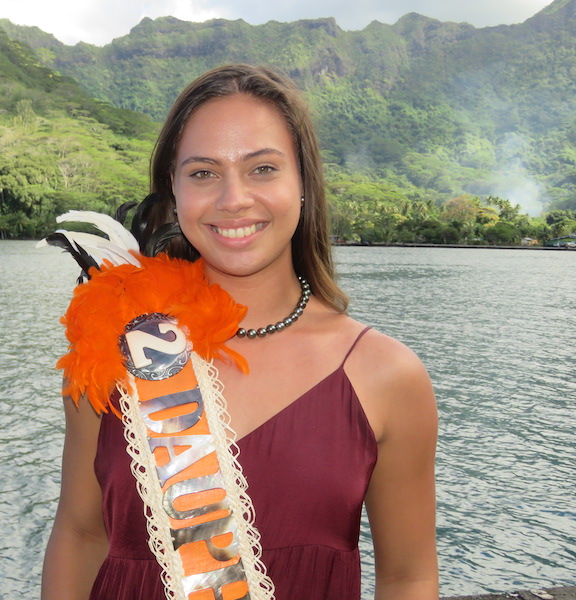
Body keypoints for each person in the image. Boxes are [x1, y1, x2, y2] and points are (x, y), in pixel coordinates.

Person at [41, 64, 438, 600]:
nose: (233, 200)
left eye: (263, 169)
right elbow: (81, 534)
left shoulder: (385, 374)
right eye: (203, 173)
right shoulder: (112, 345)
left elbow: (407, 577)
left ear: (303, 184)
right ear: (174, 195)